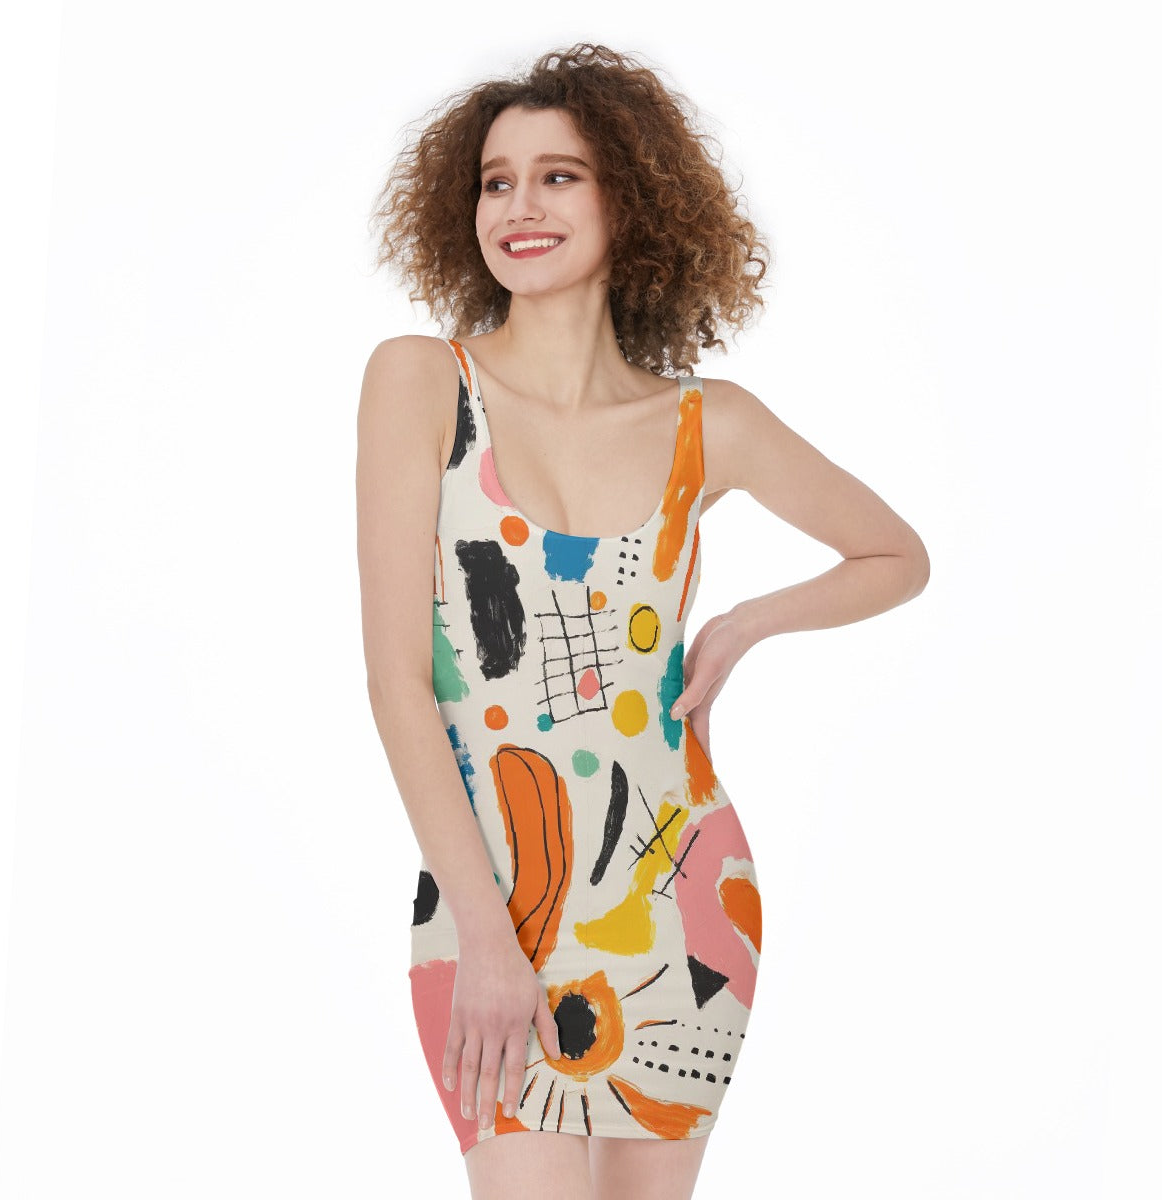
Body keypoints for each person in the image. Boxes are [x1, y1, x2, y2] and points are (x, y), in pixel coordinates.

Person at [356, 43, 929, 1200]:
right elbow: (398, 681)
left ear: (630, 197)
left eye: (558, 176)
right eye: (496, 181)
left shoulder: (707, 424)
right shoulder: (421, 382)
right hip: (487, 898)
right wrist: (487, 936)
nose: (518, 206)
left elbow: (897, 556)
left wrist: (746, 624)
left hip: (680, 891)